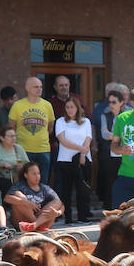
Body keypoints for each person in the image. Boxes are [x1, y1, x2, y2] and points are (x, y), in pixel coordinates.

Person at [53, 96, 93, 224]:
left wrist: (82, 154)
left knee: (83, 189)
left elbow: (88, 139)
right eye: (67, 107)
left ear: (78, 108)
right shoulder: (60, 121)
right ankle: (68, 218)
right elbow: (63, 140)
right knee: (66, 191)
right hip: (66, 160)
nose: (70, 110)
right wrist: (81, 148)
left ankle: (83, 216)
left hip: (83, 159)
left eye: (72, 107)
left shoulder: (85, 121)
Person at [8, 76, 55, 181]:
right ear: (27, 88)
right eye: (36, 87)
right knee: (23, 182)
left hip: (43, 150)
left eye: (41, 87)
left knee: (43, 182)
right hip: (23, 150)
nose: (39, 89)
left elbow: (50, 127)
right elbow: (11, 128)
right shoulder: (17, 105)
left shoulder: (47, 105)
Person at [5, 161, 63, 232]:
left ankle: (35, 225)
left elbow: (61, 205)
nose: (37, 176)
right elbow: (7, 198)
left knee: (57, 201)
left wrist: (58, 213)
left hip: (40, 218)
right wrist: (27, 202)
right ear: (26, 175)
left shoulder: (45, 188)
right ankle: (36, 225)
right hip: (22, 221)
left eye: (38, 173)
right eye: (34, 174)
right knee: (18, 195)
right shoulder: (20, 185)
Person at [94, 86, 126, 209]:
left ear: (121, 102)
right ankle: (110, 208)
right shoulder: (105, 115)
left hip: (124, 153)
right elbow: (104, 134)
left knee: (123, 182)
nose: (111, 104)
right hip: (108, 153)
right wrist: (118, 136)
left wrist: (113, 135)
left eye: (114, 102)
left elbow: (127, 134)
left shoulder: (127, 116)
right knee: (109, 182)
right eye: (110, 102)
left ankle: (123, 207)